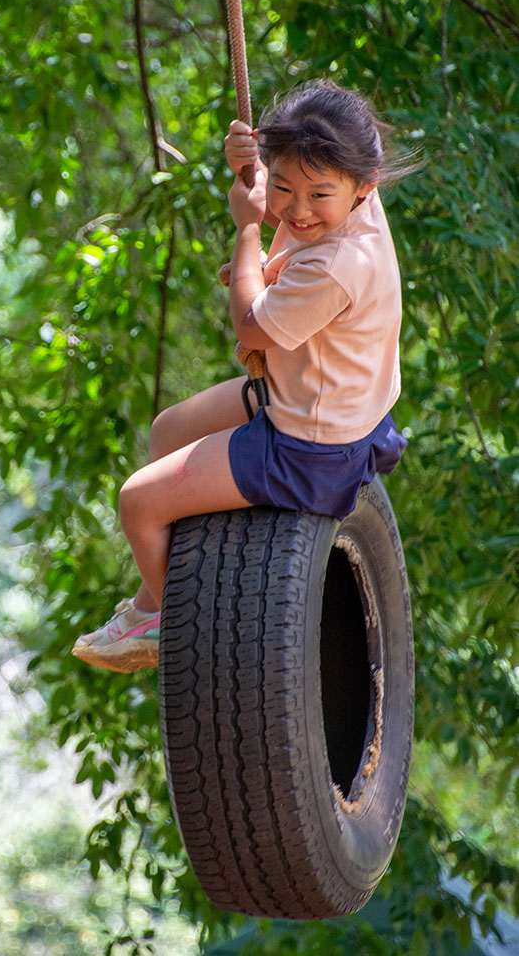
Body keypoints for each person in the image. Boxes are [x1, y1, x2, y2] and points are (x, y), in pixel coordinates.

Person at [72, 79, 411, 673]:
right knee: (166, 433)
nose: (299, 209)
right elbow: (299, 204)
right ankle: (156, 594)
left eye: (317, 195)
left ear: (364, 185)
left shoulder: (339, 267)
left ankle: (166, 622)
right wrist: (251, 168)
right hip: (308, 396)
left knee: (138, 504)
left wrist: (250, 229)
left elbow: (252, 329)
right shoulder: (353, 195)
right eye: (283, 187)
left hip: (308, 444)